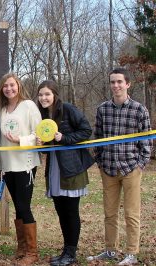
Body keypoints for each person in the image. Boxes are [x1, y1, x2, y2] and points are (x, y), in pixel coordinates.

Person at [87, 68, 152, 265]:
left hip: (131, 168)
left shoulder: (139, 110)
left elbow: (147, 141)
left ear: (128, 84)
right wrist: (99, 160)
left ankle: (131, 252)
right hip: (108, 169)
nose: (116, 85)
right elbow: (97, 137)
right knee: (110, 212)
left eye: (119, 82)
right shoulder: (103, 109)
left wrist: (140, 164)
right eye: (113, 82)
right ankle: (110, 250)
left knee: (132, 213)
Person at [36, 80, 94, 266]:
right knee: (61, 211)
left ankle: (71, 252)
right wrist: (41, 144)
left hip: (71, 169)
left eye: (47, 94)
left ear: (55, 95)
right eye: (41, 95)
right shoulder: (43, 115)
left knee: (70, 211)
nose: (44, 98)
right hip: (54, 169)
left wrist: (64, 138)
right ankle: (65, 251)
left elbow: (86, 130)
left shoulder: (68, 109)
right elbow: (47, 148)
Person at [0, 73, 41, 266]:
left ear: (18, 86)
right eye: (5, 86)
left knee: (23, 206)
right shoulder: (2, 109)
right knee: (18, 207)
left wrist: (20, 140)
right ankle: (21, 248)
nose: (9, 89)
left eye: (12, 85)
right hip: (8, 166)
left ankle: (32, 252)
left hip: (25, 164)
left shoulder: (28, 106)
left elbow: (39, 136)